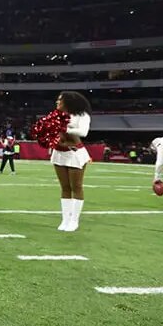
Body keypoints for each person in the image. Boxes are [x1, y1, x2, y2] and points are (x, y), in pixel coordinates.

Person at [51, 91, 92, 232]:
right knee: (65, 188)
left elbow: (84, 132)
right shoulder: (55, 115)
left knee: (77, 187)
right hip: (59, 153)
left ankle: (74, 220)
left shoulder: (82, 115)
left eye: (60, 100)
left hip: (75, 153)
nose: (57, 103)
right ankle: (65, 219)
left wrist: (65, 128)